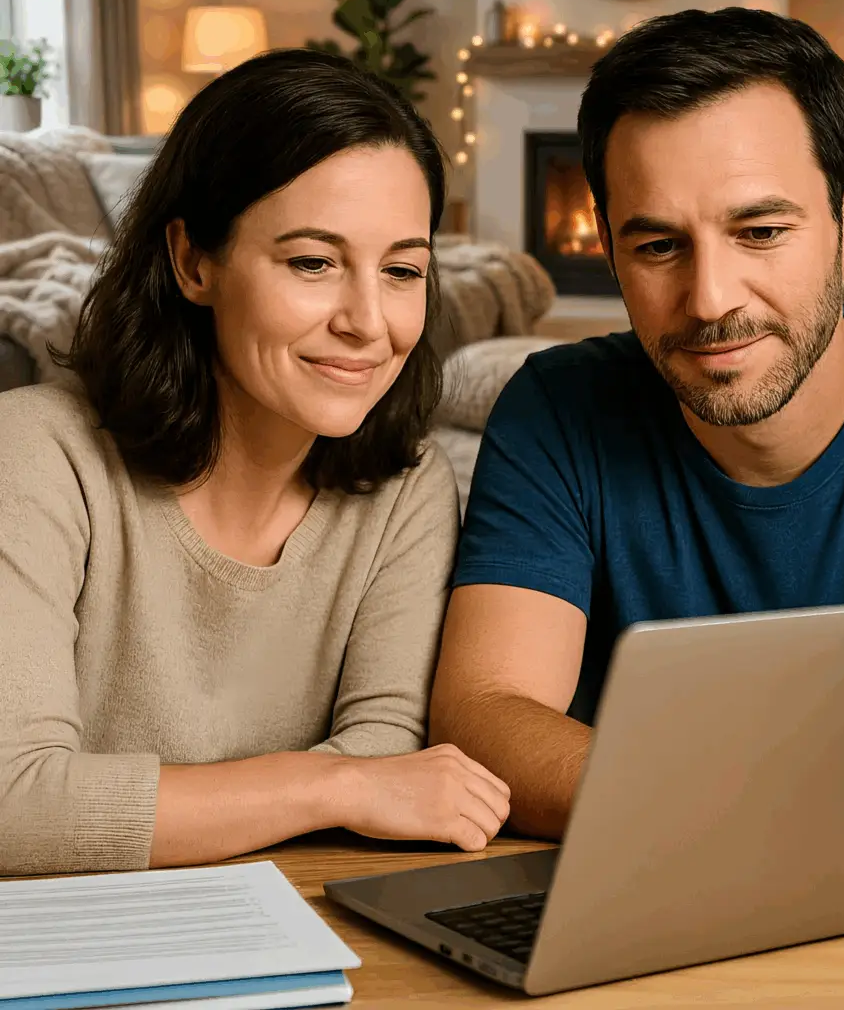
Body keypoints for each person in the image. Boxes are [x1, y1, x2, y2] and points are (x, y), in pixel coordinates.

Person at [428, 7, 844, 896]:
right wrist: (801, 805)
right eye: (659, 245)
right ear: (608, 242)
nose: (710, 300)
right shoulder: (556, 407)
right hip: (659, 899)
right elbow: (485, 717)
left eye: (761, 232)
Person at [0, 49, 510, 877]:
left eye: (403, 270)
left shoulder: (409, 490)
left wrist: (348, 783)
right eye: (313, 262)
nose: (368, 322)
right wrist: (326, 788)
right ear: (194, 262)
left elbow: (388, 751)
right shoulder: (32, 456)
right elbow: (13, 805)